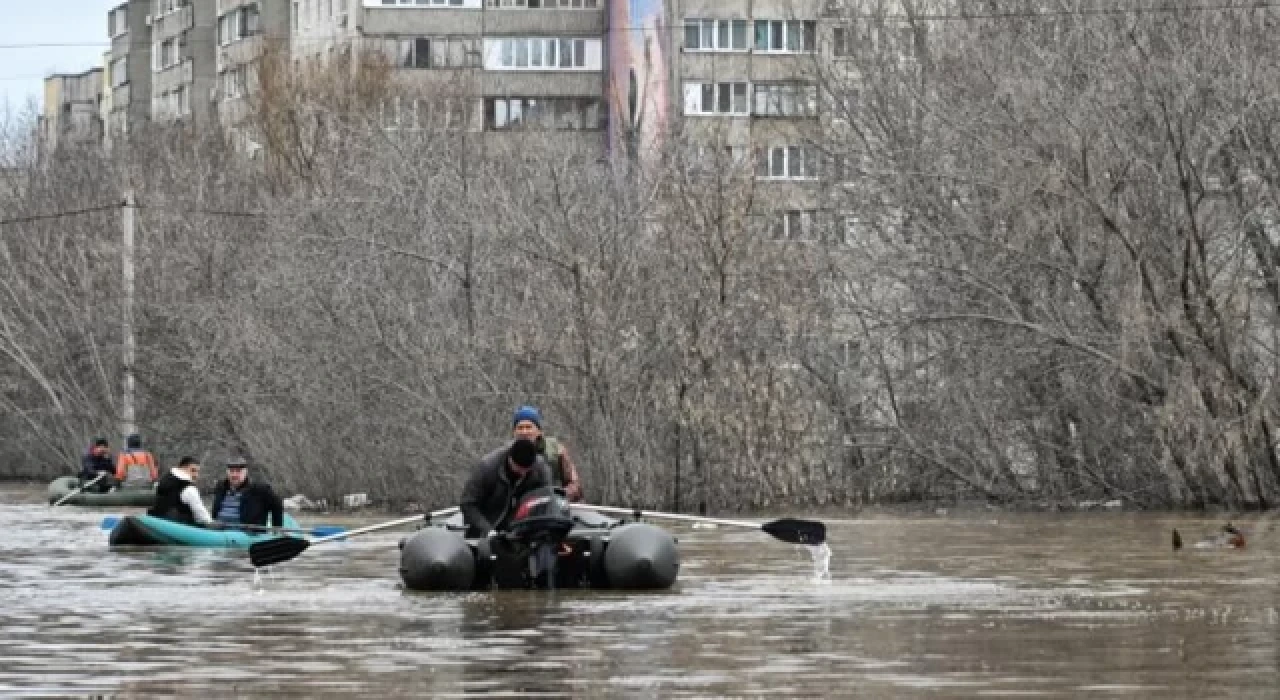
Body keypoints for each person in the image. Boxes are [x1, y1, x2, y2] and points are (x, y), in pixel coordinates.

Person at [460, 437, 553, 538]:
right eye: (519, 469)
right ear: (510, 459)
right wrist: (487, 530)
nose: (523, 473)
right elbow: (467, 504)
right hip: (486, 527)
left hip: (521, 529)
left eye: (526, 470)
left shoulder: (540, 468)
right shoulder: (487, 468)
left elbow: (547, 498)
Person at [511, 405, 583, 502]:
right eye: (520, 428)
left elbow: (575, 486)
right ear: (514, 432)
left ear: (539, 431)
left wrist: (559, 495)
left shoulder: (557, 450)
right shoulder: (506, 455)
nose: (524, 432)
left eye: (529, 427)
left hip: (552, 508)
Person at [211, 457, 285, 529]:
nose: (234, 475)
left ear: (245, 472)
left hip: (245, 535)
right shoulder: (221, 487)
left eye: (238, 471)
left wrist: (277, 528)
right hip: (219, 531)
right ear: (227, 472)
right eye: (231, 471)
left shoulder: (259, 489)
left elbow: (277, 504)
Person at [147, 457, 214, 526]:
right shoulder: (189, 489)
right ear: (182, 468)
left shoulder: (163, 480)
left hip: (156, 523)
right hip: (177, 527)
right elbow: (200, 511)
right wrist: (211, 523)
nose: (196, 475)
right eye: (193, 470)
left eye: (197, 472)